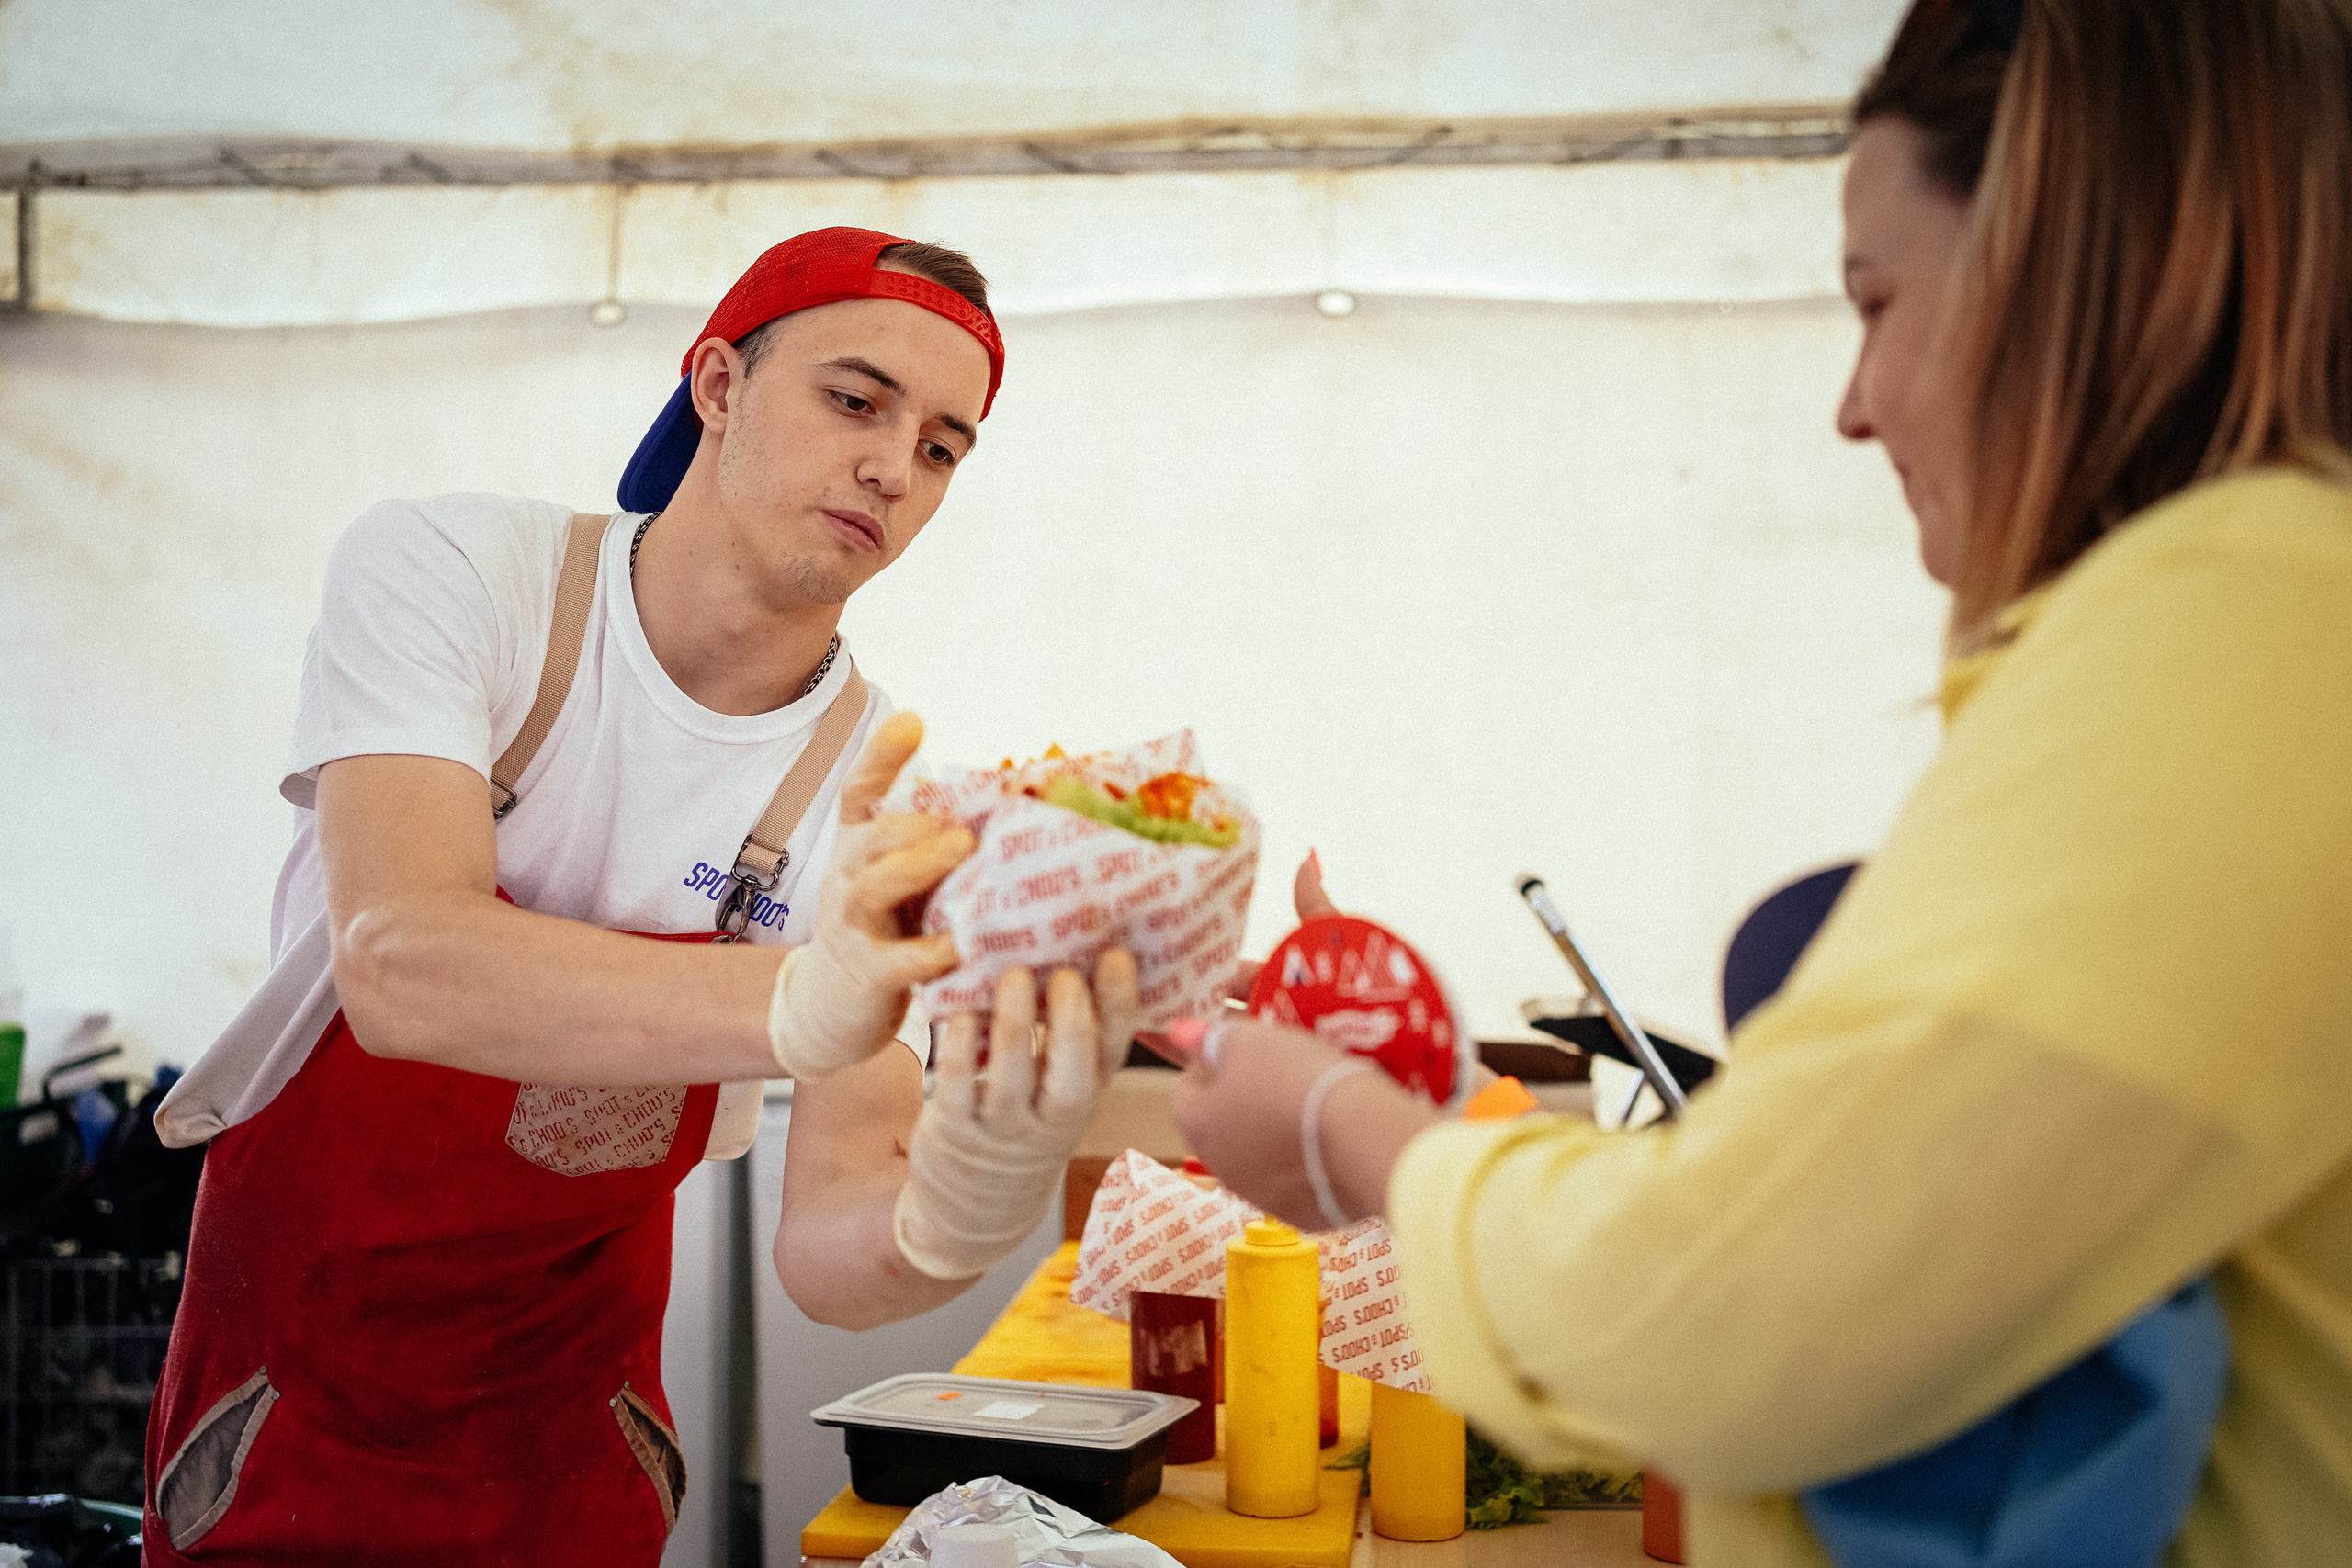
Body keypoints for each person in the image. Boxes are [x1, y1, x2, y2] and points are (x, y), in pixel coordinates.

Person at [1167, 0, 2352, 1562]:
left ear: (2057, 272)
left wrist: (1358, 1136)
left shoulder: (2240, 622)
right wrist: (1414, 1097)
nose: (1851, 406)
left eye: (1876, 301)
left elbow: (1740, 1308)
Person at [140, 228, 1136, 1563]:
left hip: (574, 1447)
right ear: (719, 385)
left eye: (944, 446)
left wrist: (970, 1196)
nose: (894, 468)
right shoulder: (462, 578)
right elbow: (400, 962)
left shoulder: (871, 784)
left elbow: (834, 1262)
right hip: (293, 1415)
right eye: (856, 400)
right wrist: (803, 995)